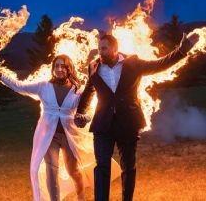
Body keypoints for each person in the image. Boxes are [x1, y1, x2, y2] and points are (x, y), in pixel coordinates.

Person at [74, 33, 200, 201]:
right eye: (99, 49)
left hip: (128, 123)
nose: (100, 52)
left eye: (104, 49)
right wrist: (80, 111)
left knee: (128, 167)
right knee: (102, 166)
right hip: (103, 124)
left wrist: (182, 50)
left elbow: (160, 64)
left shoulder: (133, 63)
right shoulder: (93, 67)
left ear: (115, 48)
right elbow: (89, 89)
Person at [0, 55, 120, 201]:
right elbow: (19, 86)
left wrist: (85, 118)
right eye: (57, 66)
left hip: (69, 135)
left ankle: (80, 195)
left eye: (63, 66)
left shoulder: (78, 90)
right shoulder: (43, 87)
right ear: (53, 68)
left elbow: (90, 110)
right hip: (48, 135)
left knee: (73, 170)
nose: (59, 69)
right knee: (51, 169)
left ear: (69, 69)